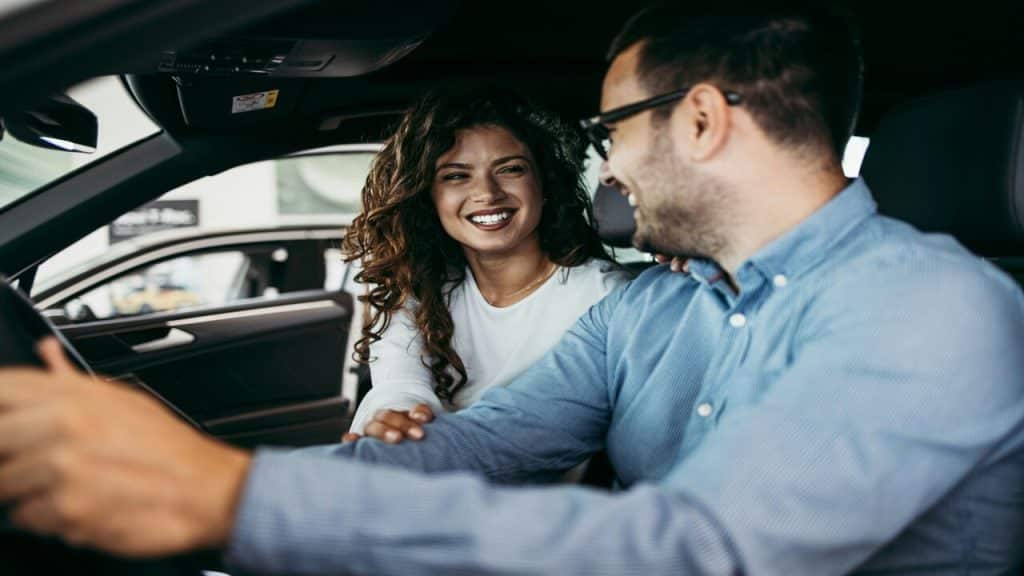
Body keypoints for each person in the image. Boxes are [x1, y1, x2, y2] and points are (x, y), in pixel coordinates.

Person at [1, 3, 1023, 574]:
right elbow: (482, 444)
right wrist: (194, 475)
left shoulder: (932, 309)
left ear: (701, 120)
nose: (607, 166)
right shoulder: (650, 312)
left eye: (610, 131)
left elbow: (695, 552)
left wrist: (230, 497)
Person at [340, 86, 628, 444]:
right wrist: (397, 422)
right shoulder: (418, 288)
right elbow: (399, 383)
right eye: (456, 176)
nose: (488, 194)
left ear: (544, 184)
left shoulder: (607, 295)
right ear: (428, 197)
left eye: (510, 169)